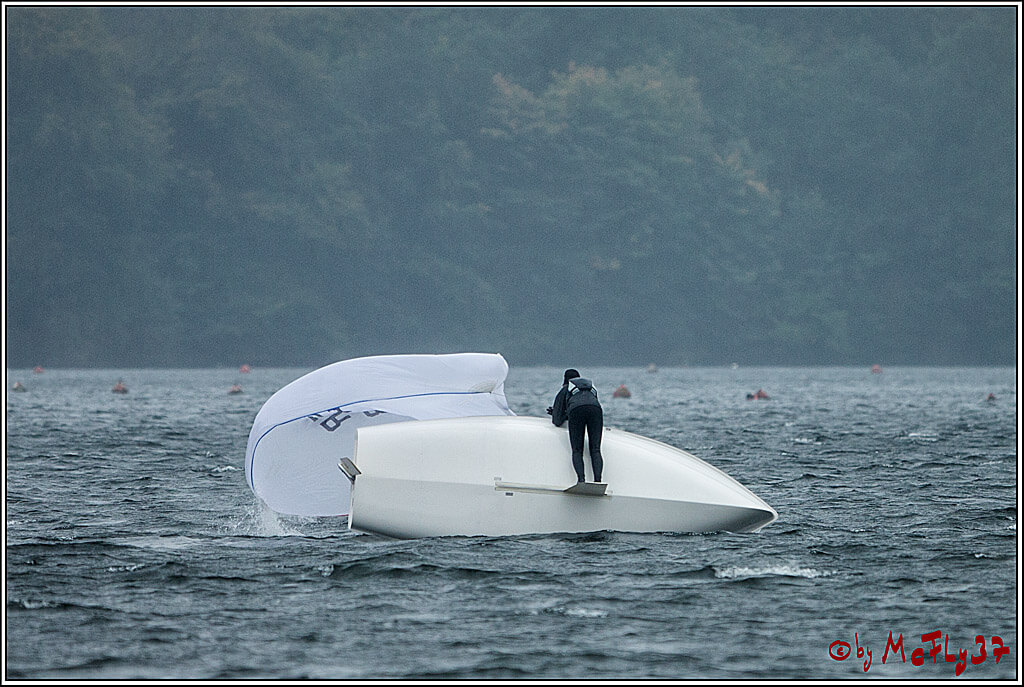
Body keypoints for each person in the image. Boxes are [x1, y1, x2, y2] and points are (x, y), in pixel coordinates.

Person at [547, 368, 604, 483]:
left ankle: (581, 480)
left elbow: (557, 421)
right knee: (595, 449)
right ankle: (598, 481)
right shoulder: (590, 388)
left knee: (577, 450)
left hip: (576, 411)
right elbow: (587, 405)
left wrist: (558, 414)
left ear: (565, 379)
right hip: (596, 409)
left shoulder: (566, 389)